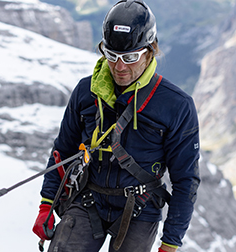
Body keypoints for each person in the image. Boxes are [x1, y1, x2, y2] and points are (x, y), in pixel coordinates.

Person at [32, 1, 200, 251]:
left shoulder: (176, 106)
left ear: (150, 50)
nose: (119, 67)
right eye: (111, 55)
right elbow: (63, 151)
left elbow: (185, 179)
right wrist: (47, 203)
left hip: (140, 207)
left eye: (130, 57)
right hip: (89, 197)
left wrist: (170, 242)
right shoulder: (86, 92)